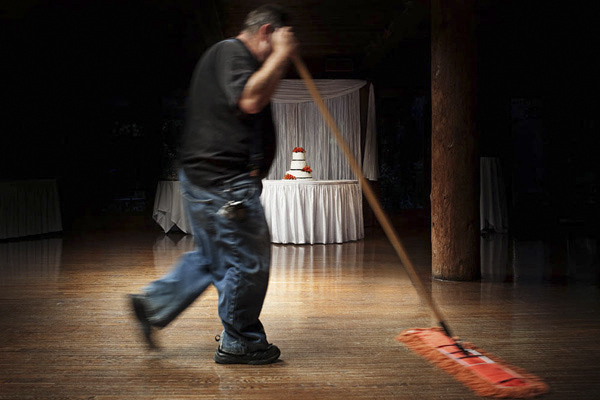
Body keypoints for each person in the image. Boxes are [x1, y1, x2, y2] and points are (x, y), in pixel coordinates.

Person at [129, 4, 297, 365]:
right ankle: (241, 341)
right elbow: (251, 99)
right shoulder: (233, 52)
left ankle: (153, 303)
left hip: (209, 178)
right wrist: (282, 55)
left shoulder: (226, 57)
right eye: (278, 41)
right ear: (267, 32)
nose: (280, 52)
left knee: (214, 257)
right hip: (225, 183)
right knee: (248, 262)